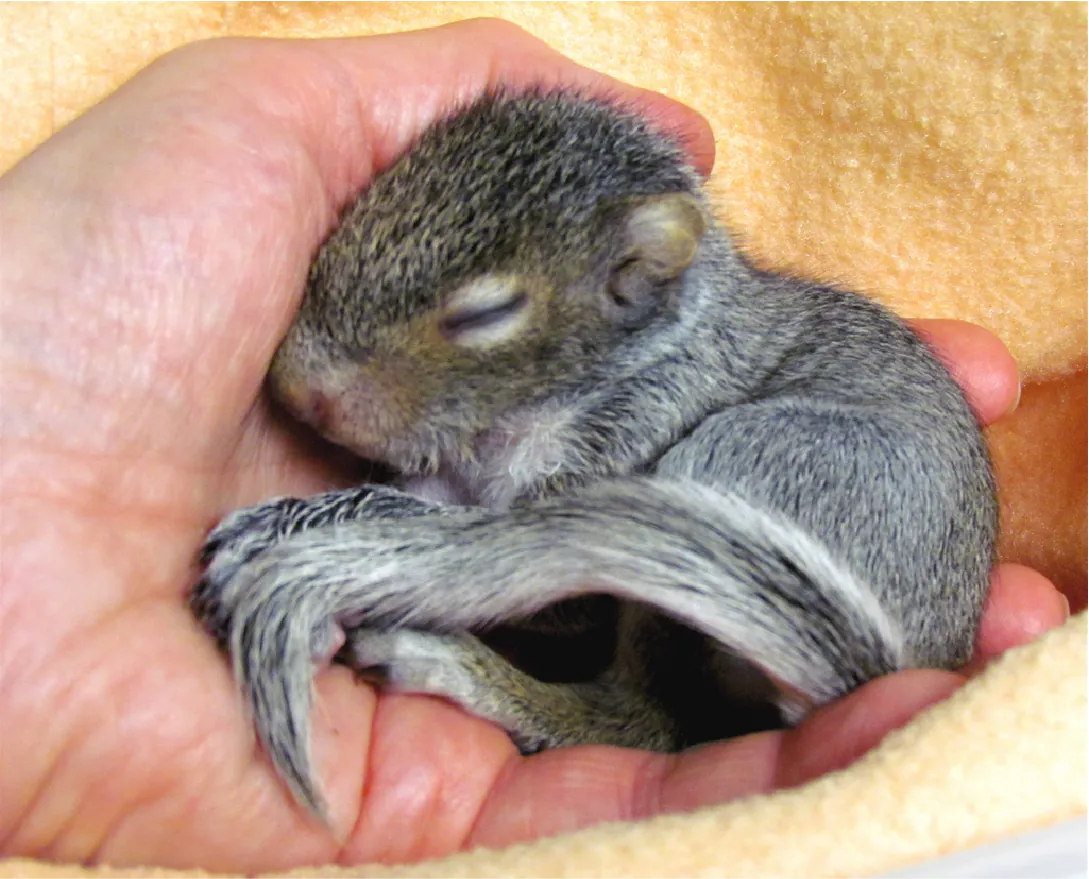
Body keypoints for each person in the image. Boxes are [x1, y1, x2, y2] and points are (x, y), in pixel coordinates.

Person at [0, 19, 1067, 871]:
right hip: (770, 638)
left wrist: (412, 559)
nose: (315, 390)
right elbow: (487, 525)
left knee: (689, 486)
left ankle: (604, 713)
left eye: (474, 322)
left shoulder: (666, 384)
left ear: (632, 286)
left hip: (831, 590)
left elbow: (536, 560)